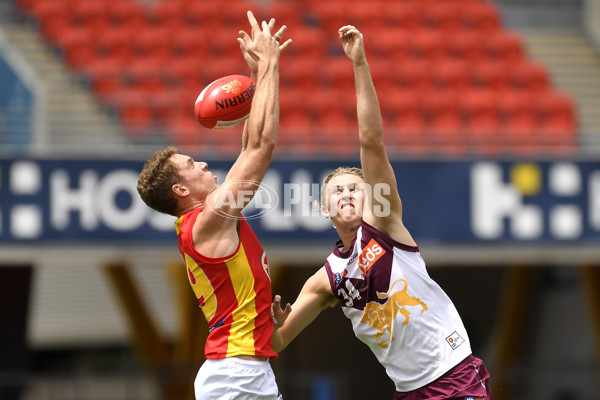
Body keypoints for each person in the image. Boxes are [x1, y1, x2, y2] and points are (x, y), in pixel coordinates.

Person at [271, 26, 492, 400]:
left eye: (354, 189)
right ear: (324, 209)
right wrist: (272, 328)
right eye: (336, 192)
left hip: (454, 376)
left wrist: (359, 64)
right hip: (408, 392)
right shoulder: (327, 280)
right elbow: (277, 341)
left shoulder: (385, 226)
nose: (345, 195)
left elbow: (371, 141)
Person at [137, 11, 290, 400]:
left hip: (242, 372)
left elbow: (248, 148)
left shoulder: (206, 222)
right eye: (191, 165)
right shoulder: (209, 221)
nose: (202, 163)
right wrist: (270, 63)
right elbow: (259, 147)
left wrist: (257, 80)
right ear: (180, 190)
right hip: (236, 375)